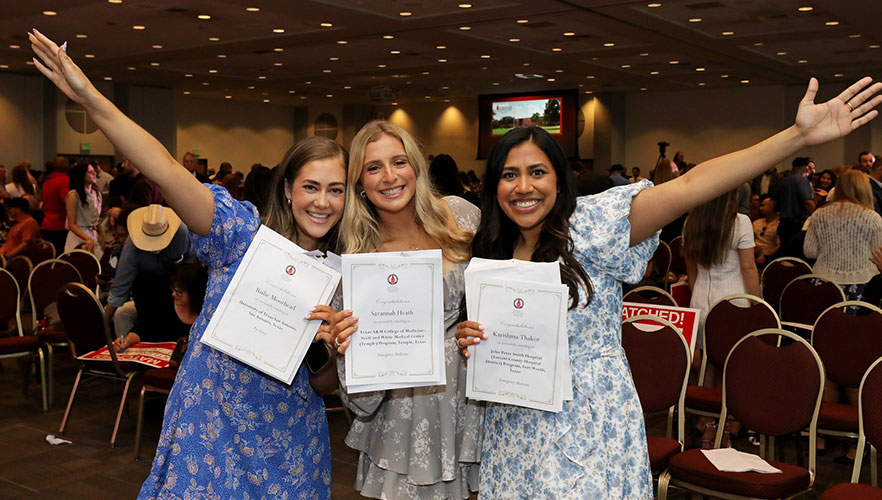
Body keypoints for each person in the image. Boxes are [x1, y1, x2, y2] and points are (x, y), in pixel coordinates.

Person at [455, 73, 882, 497]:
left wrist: (796, 137)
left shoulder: (591, 226)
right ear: (494, 184)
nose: (523, 187)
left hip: (589, 420)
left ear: (559, 179)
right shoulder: (492, 249)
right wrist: (468, 336)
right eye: (510, 175)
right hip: (515, 425)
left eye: (537, 172)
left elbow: (693, 185)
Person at [30, 29, 346, 499]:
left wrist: (334, 350)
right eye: (311, 187)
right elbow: (165, 169)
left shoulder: (337, 273)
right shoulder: (240, 237)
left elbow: (321, 386)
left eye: (335, 189)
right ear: (287, 189)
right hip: (210, 434)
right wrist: (90, 98)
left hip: (290, 448)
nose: (322, 202)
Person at [333, 120, 482, 499]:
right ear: (359, 184)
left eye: (399, 162)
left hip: (476, 409)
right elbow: (360, 402)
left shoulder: (462, 218)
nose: (389, 176)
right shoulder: (358, 266)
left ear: (416, 166)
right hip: (405, 425)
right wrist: (345, 348)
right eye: (373, 167)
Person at [107, 204, 197, 350]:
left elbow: (191, 269)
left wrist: (182, 293)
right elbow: (120, 289)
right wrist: (105, 325)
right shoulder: (132, 246)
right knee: (123, 314)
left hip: (182, 293)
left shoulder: (182, 234)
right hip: (147, 294)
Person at [804, 169, 882, 302]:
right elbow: (877, 255)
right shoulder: (872, 218)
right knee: (856, 323)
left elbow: (810, 252)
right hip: (863, 285)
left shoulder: (818, 215)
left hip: (824, 281)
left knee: (825, 321)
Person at [63, 162, 105, 256]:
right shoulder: (73, 195)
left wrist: (101, 235)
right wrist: (87, 238)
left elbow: (96, 220)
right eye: (90, 172)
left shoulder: (97, 194)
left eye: (94, 171)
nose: (94, 174)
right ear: (81, 175)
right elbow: (72, 224)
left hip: (93, 234)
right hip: (78, 236)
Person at [40, 155, 71, 255]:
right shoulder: (65, 181)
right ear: (67, 167)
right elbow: (68, 201)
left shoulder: (47, 182)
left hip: (46, 224)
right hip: (60, 226)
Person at [753, 194, 780, 269]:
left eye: (763, 205)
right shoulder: (756, 223)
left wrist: (765, 256)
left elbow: (778, 245)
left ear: (772, 206)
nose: (760, 208)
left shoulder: (779, 225)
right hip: (752, 253)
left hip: (769, 258)